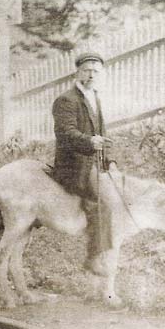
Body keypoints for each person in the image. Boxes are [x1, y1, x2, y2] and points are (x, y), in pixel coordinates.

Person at [51, 51, 114, 276]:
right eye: (86, 70)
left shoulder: (94, 97)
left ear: (102, 74)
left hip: (93, 163)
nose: (91, 75)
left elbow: (102, 134)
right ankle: (94, 259)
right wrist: (89, 142)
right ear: (77, 72)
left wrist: (110, 161)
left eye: (96, 71)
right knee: (103, 205)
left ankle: (105, 251)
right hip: (73, 165)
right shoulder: (66, 100)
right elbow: (65, 133)